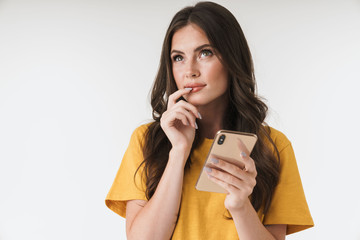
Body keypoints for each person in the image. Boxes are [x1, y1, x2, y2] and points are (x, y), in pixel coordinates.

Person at [105, 2, 314, 239]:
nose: (190, 71)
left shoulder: (272, 146)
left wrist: (240, 206)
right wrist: (178, 152)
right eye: (178, 57)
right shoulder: (146, 140)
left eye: (205, 53)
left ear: (233, 59)